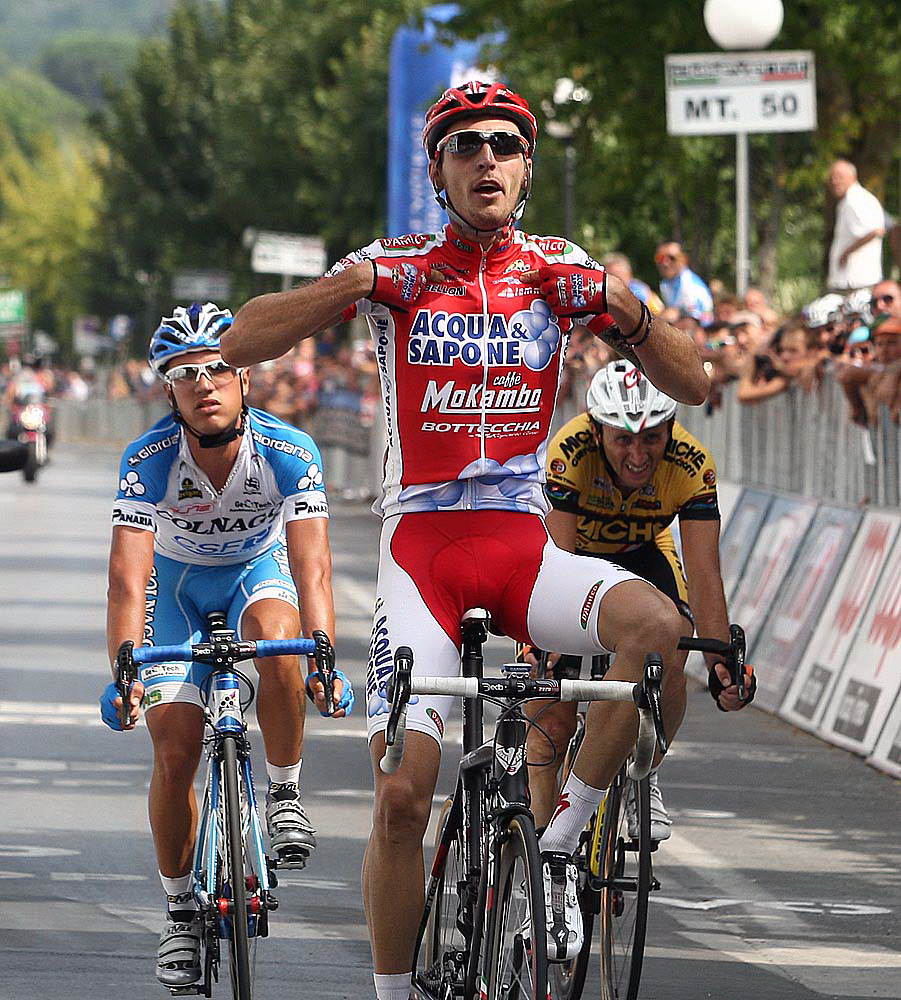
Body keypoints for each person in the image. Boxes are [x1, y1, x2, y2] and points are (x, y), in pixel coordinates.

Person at [221, 80, 729, 994]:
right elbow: (242, 342)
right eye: (466, 146)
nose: (485, 159)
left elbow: (694, 383)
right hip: (422, 555)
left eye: (503, 144)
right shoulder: (398, 260)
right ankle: (388, 988)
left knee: (657, 631)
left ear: (527, 166)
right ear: (438, 170)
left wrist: (620, 305)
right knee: (400, 799)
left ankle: (563, 847)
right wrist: (358, 283)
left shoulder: (555, 266)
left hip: (522, 549)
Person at [100, 302, 354, 988]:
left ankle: (285, 792)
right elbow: (127, 582)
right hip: (176, 594)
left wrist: (323, 651)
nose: (205, 384)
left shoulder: (288, 450)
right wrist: (123, 667)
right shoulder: (148, 459)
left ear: (246, 377)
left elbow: (314, 569)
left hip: (255, 574)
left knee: (279, 640)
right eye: (187, 375)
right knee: (175, 748)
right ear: (169, 390)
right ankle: (180, 909)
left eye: (219, 369)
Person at [523, 360, 745, 840]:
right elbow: (557, 560)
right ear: (599, 431)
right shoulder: (570, 451)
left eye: (651, 438)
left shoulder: (692, 464)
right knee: (551, 712)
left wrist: (721, 658)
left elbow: (705, 572)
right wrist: (542, 641)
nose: (638, 454)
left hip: (644, 556)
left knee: (677, 642)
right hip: (574, 555)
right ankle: (542, 854)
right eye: (623, 438)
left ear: (671, 429)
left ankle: (646, 765)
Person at [826, 159, 885, 292]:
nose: (834, 181)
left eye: (839, 177)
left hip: (855, 282)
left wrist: (846, 253)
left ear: (853, 177)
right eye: (832, 177)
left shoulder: (855, 200)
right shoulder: (854, 198)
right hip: (853, 281)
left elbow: (876, 231)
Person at [654, 240, 714, 326]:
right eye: (660, 258)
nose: (665, 263)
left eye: (672, 258)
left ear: (684, 259)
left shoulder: (693, 286)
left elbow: (707, 319)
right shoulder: (666, 284)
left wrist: (678, 315)